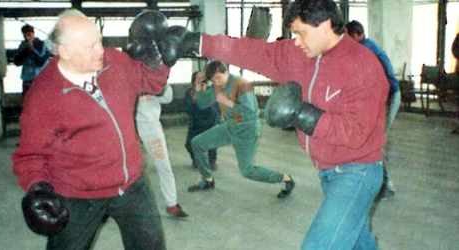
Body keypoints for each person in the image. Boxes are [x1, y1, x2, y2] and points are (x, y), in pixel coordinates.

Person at [157, 0, 388, 248]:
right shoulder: (298, 54)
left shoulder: (363, 66)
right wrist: (198, 42)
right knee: (357, 241)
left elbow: (357, 132)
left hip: (357, 171)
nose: (296, 40)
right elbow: (251, 52)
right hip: (327, 170)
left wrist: (304, 115)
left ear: (325, 25)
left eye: (301, 33)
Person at [12, 9, 171, 249]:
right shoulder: (44, 94)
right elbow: (31, 155)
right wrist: (38, 188)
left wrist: (157, 60)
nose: (101, 50)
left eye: (99, 41)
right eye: (90, 46)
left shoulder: (114, 61)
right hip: (78, 193)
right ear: (65, 52)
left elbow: (151, 81)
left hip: (130, 184)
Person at [186, 61, 295, 199]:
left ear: (226, 72)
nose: (217, 83)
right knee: (197, 143)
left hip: (247, 129)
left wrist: (228, 103)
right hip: (230, 126)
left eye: (219, 78)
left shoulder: (241, 84)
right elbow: (202, 103)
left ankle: (285, 179)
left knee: (247, 170)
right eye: (213, 80)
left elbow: (251, 114)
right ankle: (207, 179)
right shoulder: (216, 86)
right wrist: (198, 87)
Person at [346, 20, 399, 199]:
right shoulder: (365, 47)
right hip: (384, 97)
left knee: (375, 142)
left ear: (358, 34)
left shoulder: (366, 48)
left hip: (389, 97)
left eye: (349, 36)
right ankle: (380, 183)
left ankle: (385, 185)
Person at [135, 83, 189, 217]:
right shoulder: (125, 73)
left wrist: (161, 85)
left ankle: (171, 204)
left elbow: (167, 99)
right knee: (125, 168)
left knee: (163, 165)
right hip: (126, 125)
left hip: (151, 127)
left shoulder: (154, 76)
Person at [184, 71, 220, 170]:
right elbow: (188, 107)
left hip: (210, 122)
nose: (202, 80)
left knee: (211, 144)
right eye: (199, 78)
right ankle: (197, 160)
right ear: (194, 81)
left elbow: (215, 108)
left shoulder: (211, 91)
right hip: (196, 123)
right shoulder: (189, 92)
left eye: (204, 78)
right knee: (189, 144)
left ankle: (211, 161)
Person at [13, 24, 50, 101]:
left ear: (33, 33)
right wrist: (24, 51)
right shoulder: (22, 46)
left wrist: (31, 50)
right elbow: (17, 62)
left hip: (41, 79)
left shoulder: (43, 45)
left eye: (29, 35)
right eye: (25, 36)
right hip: (27, 79)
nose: (27, 38)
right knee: (28, 102)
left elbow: (40, 62)